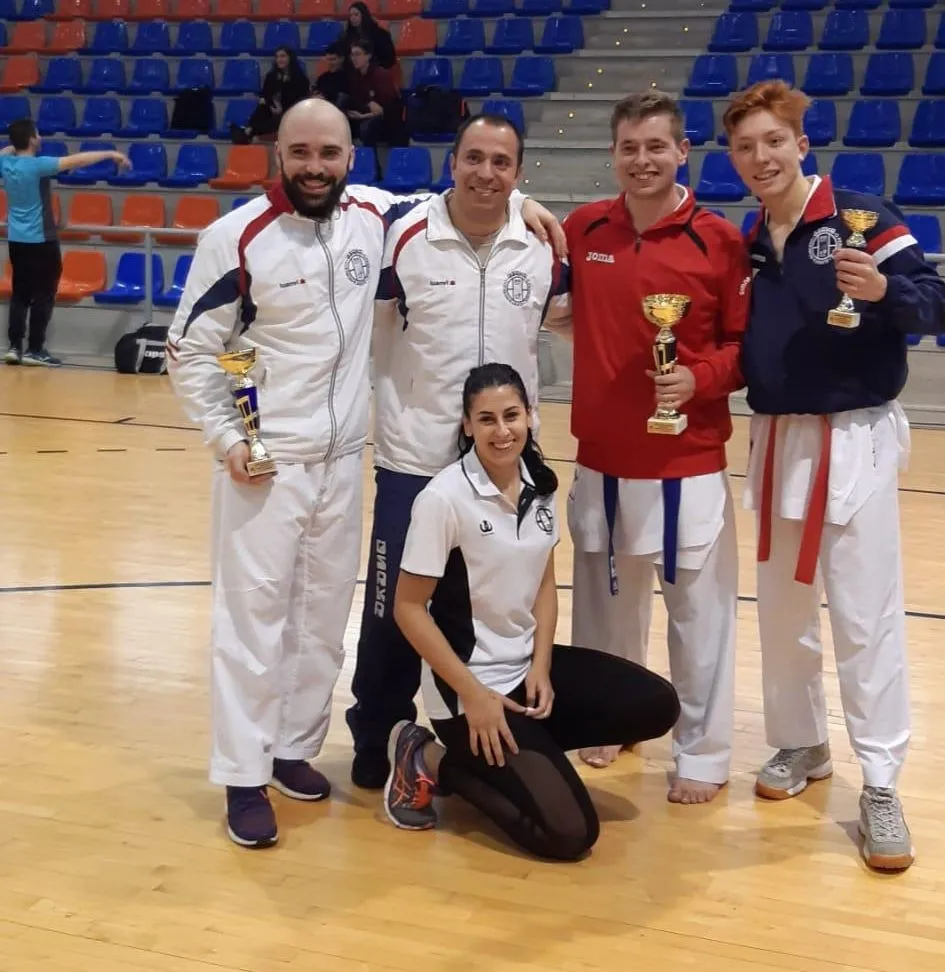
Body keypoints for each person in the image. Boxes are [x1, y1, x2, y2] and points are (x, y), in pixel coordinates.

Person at [165, 97, 564, 849]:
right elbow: (188, 349)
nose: (314, 166)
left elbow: (462, 197)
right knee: (254, 625)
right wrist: (225, 439)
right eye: (300, 152)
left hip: (345, 459)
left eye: (329, 153)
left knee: (321, 619)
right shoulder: (237, 238)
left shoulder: (371, 218)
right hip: (266, 466)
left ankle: (291, 749)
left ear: (351, 158)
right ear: (276, 153)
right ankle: (242, 775)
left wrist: (525, 202)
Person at [723, 80, 945, 870]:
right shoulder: (752, 238)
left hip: (851, 438)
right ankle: (800, 743)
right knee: (782, 613)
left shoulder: (860, 216)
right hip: (777, 437)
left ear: (800, 143)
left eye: (772, 142)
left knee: (863, 617)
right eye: (745, 147)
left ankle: (879, 780)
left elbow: (935, 303)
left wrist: (885, 291)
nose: (760, 158)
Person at [345, 112, 568, 789]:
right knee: (395, 607)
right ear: (452, 162)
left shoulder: (538, 249)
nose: (486, 174)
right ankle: (377, 736)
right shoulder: (403, 237)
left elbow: (564, 321)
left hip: (504, 460)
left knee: (495, 602)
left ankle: (475, 727)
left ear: (518, 172)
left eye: (502, 163)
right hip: (415, 461)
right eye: (474, 158)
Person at [543, 90, 750, 804]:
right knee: (604, 612)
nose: (641, 161)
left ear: (682, 151)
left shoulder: (717, 240)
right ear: (613, 154)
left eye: (655, 146)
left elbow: (744, 349)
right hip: (599, 456)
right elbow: (560, 302)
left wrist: (698, 377)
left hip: (684, 461)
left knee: (698, 618)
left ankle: (702, 750)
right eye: (629, 148)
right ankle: (608, 719)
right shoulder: (582, 227)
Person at [383, 363, 680, 860]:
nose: (502, 431)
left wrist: (541, 663)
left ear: (530, 416)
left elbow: (544, 580)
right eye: (487, 420)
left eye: (512, 416)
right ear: (466, 426)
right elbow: (409, 608)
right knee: (570, 836)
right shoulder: (443, 499)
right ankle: (431, 757)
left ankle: (524, 750)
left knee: (657, 704)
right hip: (469, 692)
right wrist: (473, 695)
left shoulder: (539, 481)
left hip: (526, 671)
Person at [2, 120, 129, 367]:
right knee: (44, 295)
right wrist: (111, 153)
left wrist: (13, 145)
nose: (40, 137)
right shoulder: (38, 166)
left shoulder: (6, 163)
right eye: (36, 134)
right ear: (31, 139)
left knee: (20, 295)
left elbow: (6, 151)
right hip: (41, 240)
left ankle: (15, 347)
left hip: (16, 240)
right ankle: (35, 349)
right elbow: (78, 160)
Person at [230, 46, 311, 144]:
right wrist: (271, 106)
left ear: (290, 58)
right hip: (271, 110)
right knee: (262, 107)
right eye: (277, 57)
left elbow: (300, 102)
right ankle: (248, 130)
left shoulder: (301, 80)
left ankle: (248, 131)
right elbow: (265, 96)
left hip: (290, 113)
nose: (279, 60)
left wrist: (285, 85)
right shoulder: (271, 77)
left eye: (283, 56)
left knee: (281, 118)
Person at [345, 40, 405, 151]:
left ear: (368, 56)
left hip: (387, 119)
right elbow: (356, 100)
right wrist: (363, 108)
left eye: (358, 54)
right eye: (352, 54)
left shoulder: (380, 74)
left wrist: (362, 115)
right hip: (365, 114)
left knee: (367, 127)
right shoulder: (354, 76)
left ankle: (373, 165)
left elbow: (383, 109)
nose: (354, 58)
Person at [342, 2, 397, 73]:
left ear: (364, 15)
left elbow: (389, 59)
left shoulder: (380, 34)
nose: (352, 18)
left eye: (356, 14)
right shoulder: (347, 36)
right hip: (354, 74)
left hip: (375, 73)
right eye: (351, 15)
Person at [312, 41, 350, 110]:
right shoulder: (323, 77)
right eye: (328, 60)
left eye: (333, 59)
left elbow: (341, 103)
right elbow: (315, 93)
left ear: (342, 59)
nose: (330, 63)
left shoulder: (348, 77)